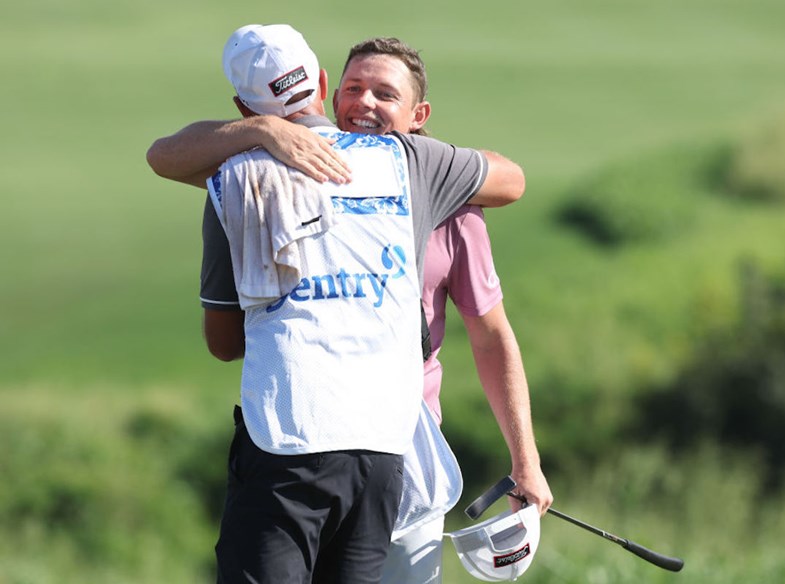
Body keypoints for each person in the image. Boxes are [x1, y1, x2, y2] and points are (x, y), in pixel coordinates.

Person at [148, 32, 551, 584]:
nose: (364, 103)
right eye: (354, 88)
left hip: (367, 438)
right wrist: (265, 132)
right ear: (324, 89)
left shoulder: (242, 177)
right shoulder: (406, 163)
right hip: (379, 447)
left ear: (419, 114)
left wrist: (525, 459)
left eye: (384, 94)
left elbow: (491, 335)